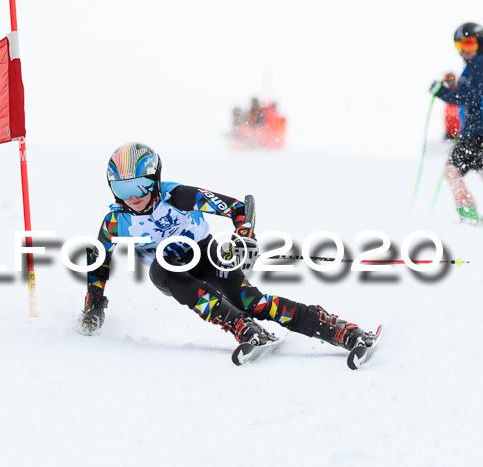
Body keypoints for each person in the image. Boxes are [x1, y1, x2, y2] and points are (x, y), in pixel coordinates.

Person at [79, 142, 378, 353]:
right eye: (122, 189)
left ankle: (337, 329)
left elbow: (238, 207)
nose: (132, 198)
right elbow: (98, 258)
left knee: (253, 302)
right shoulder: (117, 222)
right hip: (170, 272)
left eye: (139, 186)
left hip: (206, 253)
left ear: (155, 179)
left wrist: (243, 233)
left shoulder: (178, 196)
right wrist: (95, 302)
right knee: (161, 268)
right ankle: (239, 326)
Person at [431, 23, 483, 225]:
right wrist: (451, 87)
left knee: (452, 169)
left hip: (476, 132)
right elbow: (469, 92)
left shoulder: (478, 64)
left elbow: (469, 98)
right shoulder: (475, 66)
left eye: (469, 44)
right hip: (475, 130)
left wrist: (441, 92)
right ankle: (468, 213)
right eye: (460, 45)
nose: (464, 50)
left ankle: (467, 213)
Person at [442, 73, 461, 140]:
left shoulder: (458, 94)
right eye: (447, 82)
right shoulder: (448, 96)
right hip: (449, 133)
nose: (449, 84)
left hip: (459, 133)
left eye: (450, 81)